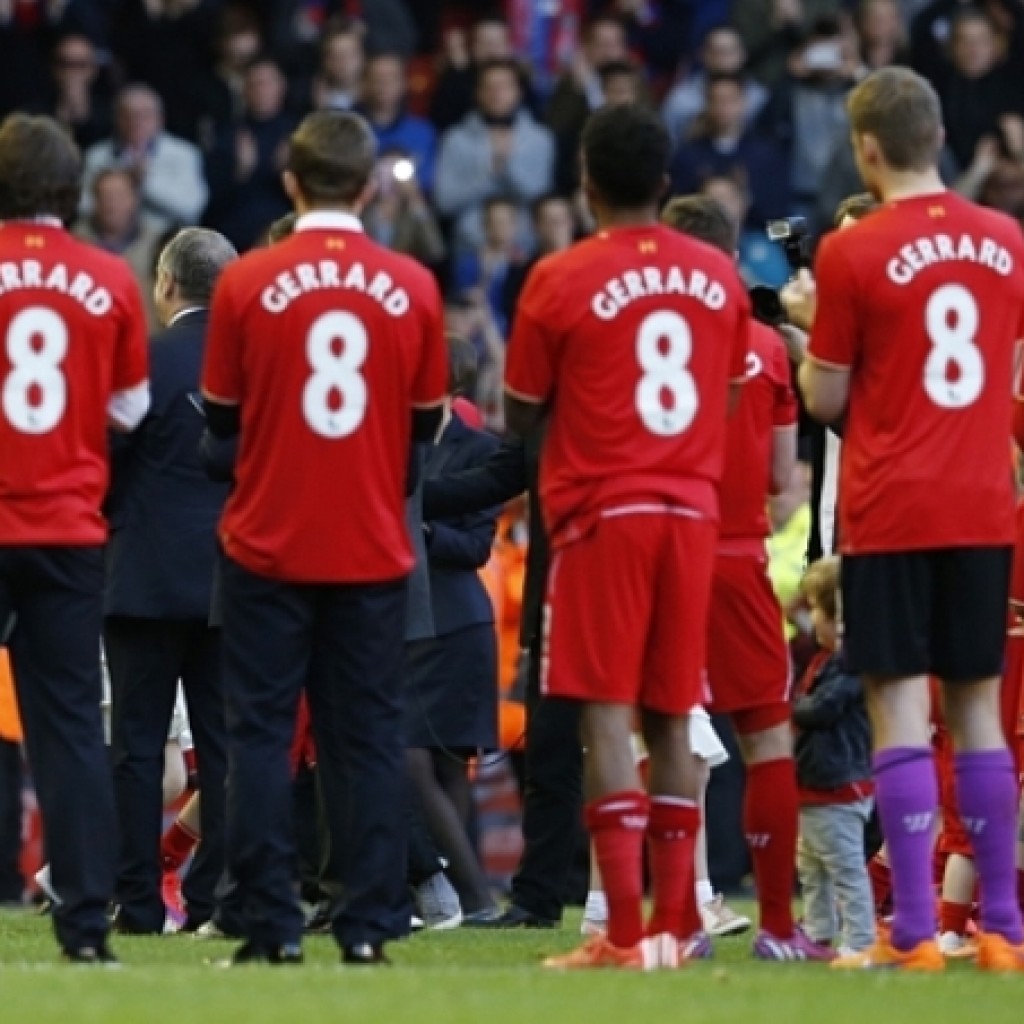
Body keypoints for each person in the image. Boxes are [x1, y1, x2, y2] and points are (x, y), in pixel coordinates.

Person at [504, 104, 750, 969]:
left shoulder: (559, 278)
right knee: (673, 718)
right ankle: (680, 922)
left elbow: (519, 412)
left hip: (601, 513)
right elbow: (722, 398)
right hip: (691, 511)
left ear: (585, 182)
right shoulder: (718, 279)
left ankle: (623, 935)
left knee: (607, 716)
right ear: (667, 184)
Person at [201, 109, 448, 966]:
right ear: (372, 185)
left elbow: (221, 434)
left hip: (267, 544)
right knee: (368, 737)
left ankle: (268, 925)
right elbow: (423, 440)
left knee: (260, 736)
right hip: (372, 546)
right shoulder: (413, 287)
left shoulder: (243, 285)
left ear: (290, 183)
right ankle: (370, 925)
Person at [798, 66, 1024, 971]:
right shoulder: (1008, 241)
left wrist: (809, 324)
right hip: (982, 502)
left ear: (866, 148)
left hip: (892, 504)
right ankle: (1005, 929)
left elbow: (827, 397)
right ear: (940, 139)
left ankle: (917, 933)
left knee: (899, 712)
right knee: (980, 716)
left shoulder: (850, 254)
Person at [661, 194, 829, 961]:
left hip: (654, 552)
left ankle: (673, 925)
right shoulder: (764, 347)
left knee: (660, 737)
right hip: (733, 557)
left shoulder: (640, 333)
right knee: (765, 737)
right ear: (731, 252)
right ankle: (778, 928)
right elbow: (778, 476)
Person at [0, 113, 150, 962]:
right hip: (64, 524)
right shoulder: (109, 277)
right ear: (72, 188)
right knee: (66, 728)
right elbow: (129, 409)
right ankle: (87, 927)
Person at [104, 227, 237, 936]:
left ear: (165, 283)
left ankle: (138, 903)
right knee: (224, 748)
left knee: (134, 747)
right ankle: (215, 901)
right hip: (232, 579)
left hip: (143, 580)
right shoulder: (259, 361)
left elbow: (104, 459)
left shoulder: (143, 361)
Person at [405, 335, 501, 925]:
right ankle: (466, 894)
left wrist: (424, 534)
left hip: (459, 620)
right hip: (407, 621)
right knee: (409, 758)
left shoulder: (480, 450)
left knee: (441, 764)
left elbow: (477, 545)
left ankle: (471, 898)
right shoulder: (396, 444)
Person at [793, 556, 875, 957]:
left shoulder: (850, 666)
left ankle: (860, 940)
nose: (810, 620)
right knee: (812, 866)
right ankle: (819, 929)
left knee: (844, 868)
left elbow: (824, 709)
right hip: (816, 784)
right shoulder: (825, 661)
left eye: (816, 610)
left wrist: (787, 709)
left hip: (838, 784)